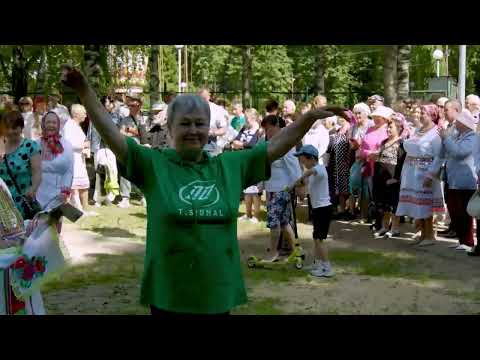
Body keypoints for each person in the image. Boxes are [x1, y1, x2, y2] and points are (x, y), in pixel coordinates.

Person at [60, 64, 337, 315]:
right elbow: (111, 133)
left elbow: (276, 146)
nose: (193, 130)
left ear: (209, 129)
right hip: (169, 293)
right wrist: (84, 91)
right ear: (169, 128)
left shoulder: (229, 166)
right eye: (184, 123)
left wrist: (308, 118)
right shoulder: (153, 164)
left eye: (199, 123)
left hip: (217, 292)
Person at [396, 104, 444, 247]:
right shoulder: (417, 130)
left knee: (425, 205)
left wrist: (430, 175)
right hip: (411, 172)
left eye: (423, 112)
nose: (420, 115)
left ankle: (430, 235)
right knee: (417, 204)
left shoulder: (436, 133)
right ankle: (422, 234)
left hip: (425, 172)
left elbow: (439, 156)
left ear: (432, 115)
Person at [261, 114, 303, 262]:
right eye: (265, 129)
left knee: (274, 222)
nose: (267, 132)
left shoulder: (285, 143)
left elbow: (294, 167)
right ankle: (296, 250)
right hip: (272, 187)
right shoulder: (268, 142)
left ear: (278, 126)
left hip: (280, 189)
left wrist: (299, 186)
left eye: (269, 129)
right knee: (284, 221)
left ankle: (274, 252)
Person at [291, 144, 334, 278]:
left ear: (311, 158)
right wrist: (297, 187)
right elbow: (304, 191)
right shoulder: (313, 172)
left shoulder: (319, 169)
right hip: (318, 209)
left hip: (323, 209)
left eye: (303, 159)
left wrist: (297, 180)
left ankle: (327, 268)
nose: (302, 162)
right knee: (316, 239)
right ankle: (318, 264)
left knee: (318, 240)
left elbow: (309, 173)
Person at [438, 109, 477, 251]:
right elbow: (445, 152)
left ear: (465, 124)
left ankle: (468, 242)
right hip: (453, 180)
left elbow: (459, 153)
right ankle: (462, 240)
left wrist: (446, 139)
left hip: (465, 182)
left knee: (464, 212)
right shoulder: (457, 136)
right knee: (454, 211)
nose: (456, 124)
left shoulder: (472, 137)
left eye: (458, 122)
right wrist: (445, 139)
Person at [36, 112, 73, 223]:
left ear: (58, 125)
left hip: (58, 194)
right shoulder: (35, 144)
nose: (51, 125)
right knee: (37, 229)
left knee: (53, 229)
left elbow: (69, 170)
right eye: (48, 122)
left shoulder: (66, 145)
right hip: (38, 193)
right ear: (43, 124)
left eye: (54, 122)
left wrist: (65, 191)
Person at [358, 106, 392, 226]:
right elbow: (362, 148)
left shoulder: (389, 130)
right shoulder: (370, 129)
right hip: (369, 165)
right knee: (373, 193)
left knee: (383, 194)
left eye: (379, 117)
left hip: (384, 166)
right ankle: (376, 219)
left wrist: (376, 154)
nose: (376, 119)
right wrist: (368, 154)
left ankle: (385, 221)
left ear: (386, 118)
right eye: (375, 117)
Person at [371, 119, 405, 237]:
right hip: (381, 178)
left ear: (399, 129)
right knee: (383, 204)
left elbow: (401, 163)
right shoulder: (384, 142)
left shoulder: (401, 143)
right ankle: (385, 227)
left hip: (392, 179)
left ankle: (394, 228)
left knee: (393, 204)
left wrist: (396, 178)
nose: (388, 129)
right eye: (388, 127)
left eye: (391, 127)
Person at [62, 104, 94, 215]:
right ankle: (75, 209)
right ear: (76, 114)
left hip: (79, 158)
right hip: (73, 159)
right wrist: (83, 145)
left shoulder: (76, 125)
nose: (86, 115)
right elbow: (68, 143)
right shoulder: (69, 126)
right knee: (73, 185)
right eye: (84, 113)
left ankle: (84, 208)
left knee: (83, 184)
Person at [231, 109, 262, 223]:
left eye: (247, 117)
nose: (245, 119)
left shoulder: (259, 130)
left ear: (253, 117)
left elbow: (253, 145)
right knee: (246, 191)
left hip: (254, 162)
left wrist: (242, 144)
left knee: (255, 191)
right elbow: (235, 141)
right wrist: (240, 144)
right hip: (243, 162)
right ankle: (247, 214)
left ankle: (256, 216)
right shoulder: (245, 128)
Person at [117, 94, 147, 208]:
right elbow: (121, 133)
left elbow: (146, 135)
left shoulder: (144, 118)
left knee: (141, 173)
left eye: (133, 105)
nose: (131, 107)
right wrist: (134, 132)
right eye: (129, 105)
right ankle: (125, 198)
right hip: (128, 148)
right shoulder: (125, 119)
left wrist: (131, 131)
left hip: (142, 149)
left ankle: (144, 196)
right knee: (126, 172)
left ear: (139, 106)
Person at [438, 100, 462, 238]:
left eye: (446, 109)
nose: (443, 112)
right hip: (448, 167)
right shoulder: (449, 126)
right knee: (450, 200)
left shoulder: (460, 127)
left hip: (458, 170)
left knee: (457, 202)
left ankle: (458, 230)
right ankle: (452, 226)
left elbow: (456, 149)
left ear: (456, 110)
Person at [348, 102, 373, 219]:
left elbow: (374, 143)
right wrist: (355, 145)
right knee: (354, 185)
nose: (357, 116)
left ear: (366, 113)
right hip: (358, 160)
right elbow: (352, 146)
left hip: (370, 160)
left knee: (366, 189)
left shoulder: (371, 125)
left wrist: (361, 144)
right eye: (355, 113)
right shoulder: (353, 127)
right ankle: (356, 211)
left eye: (359, 113)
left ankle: (364, 215)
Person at [326, 114, 351, 218]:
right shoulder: (337, 131)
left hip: (347, 164)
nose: (341, 119)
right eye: (340, 117)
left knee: (348, 189)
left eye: (344, 117)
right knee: (340, 189)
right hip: (337, 164)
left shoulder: (350, 129)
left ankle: (349, 210)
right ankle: (342, 210)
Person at [198, 88, 228, 156]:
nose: (202, 100)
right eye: (200, 98)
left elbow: (224, 129)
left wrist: (212, 133)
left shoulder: (217, 109)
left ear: (209, 96)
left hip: (210, 146)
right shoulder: (193, 108)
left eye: (204, 98)